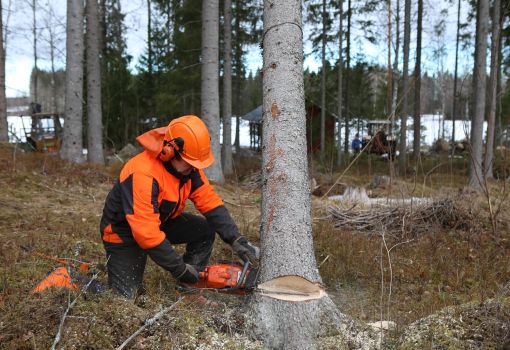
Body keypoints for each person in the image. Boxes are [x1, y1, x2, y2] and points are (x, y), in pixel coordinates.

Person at [100, 115, 259, 298]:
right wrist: (180, 269)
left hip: (158, 221)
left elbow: (210, 202)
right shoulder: (143, 173)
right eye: (190, 163)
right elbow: (146, 234)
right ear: (170, 151)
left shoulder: (188, 170)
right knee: (125, 298)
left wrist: (236, 239)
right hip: (123, 233)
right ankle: (70, 281)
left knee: (205, 229)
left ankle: (189, 288)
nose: (194, 168)